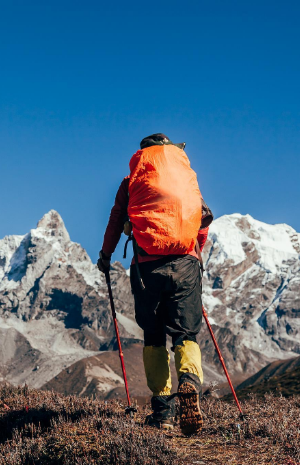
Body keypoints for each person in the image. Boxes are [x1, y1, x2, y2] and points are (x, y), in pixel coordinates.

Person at [97, 133, 213, 435]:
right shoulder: (185, 178)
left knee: (154, 336)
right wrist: (195, 252)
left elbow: (115, 220)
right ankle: (189, 382)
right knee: (186, 333)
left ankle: (162, 413)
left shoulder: (132, 181)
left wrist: (105, 256)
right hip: (186, 263)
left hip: (147, 267)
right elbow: (202, 220)